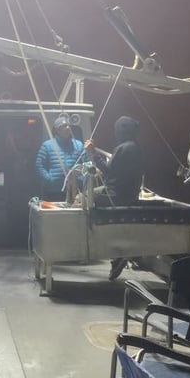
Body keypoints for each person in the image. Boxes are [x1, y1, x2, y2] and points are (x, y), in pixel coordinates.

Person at [84, 115, 144, 280]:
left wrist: (92, 154)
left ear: (122, 130)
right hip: (130, 195)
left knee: (85, 197)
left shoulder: (123, 148)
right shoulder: (135, 147)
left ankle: (89, 240)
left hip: (115, 196)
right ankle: (117, 256)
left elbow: (109, 172)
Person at [35, 114, 86, 202]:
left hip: (75, 191)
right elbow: (39, 166)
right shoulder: (47, 145)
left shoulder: (78, 145)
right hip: (53, 191)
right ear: (57, 130)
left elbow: (87, 164)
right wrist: (49, 179)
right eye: (63, 126)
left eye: (68, 126)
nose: (67, 128)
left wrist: (81, 179)